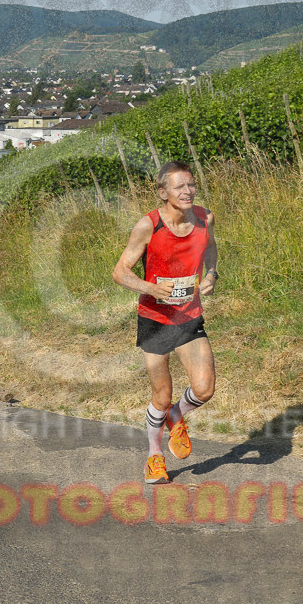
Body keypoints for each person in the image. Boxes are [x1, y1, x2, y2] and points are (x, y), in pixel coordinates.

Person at [113, 161, 219, 484]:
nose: (187, 192)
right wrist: (152, 289)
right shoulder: (148, 226)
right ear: (163, 192)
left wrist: (212, 273)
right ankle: (154, 457)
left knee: (204, 388)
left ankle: (177, 415)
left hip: (188, 317)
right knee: (161, 394)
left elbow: (211, 249)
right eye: (179, 187)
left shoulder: (205, 218)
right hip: (155, 320)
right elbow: (120, 272)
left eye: (191, 185)